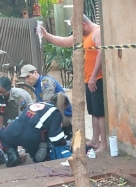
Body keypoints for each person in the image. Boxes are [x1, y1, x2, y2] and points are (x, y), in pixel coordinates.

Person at [39, 14, 107, 152]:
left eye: (75, 27)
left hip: (97, 79)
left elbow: (101, 54)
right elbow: (64, 41)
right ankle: (94, 140)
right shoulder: (82, 36)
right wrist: (46, 35)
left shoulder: (97, 32)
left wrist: (93, 76)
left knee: (100, 113)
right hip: (88, 79)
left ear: (83, 25)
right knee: (93, 112)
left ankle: (104, 144)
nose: (74, 31)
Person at [0, 93, 69, 167]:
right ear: (63, 105)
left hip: (13, 129)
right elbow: (55, 137)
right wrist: (63, 143)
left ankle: (12, 154)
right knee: (39, 143)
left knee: (3, 135)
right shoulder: (55, 112)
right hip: (32, 137)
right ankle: (37, 156)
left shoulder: (37, 104)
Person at [19, 64, 73, 140]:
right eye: (25, 78)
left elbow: (47, 105)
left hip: (64, 116)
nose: (27, 81)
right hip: (56, 115)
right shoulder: (37, 86)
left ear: (35, 72)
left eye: (28, 76)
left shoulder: (45, 82)